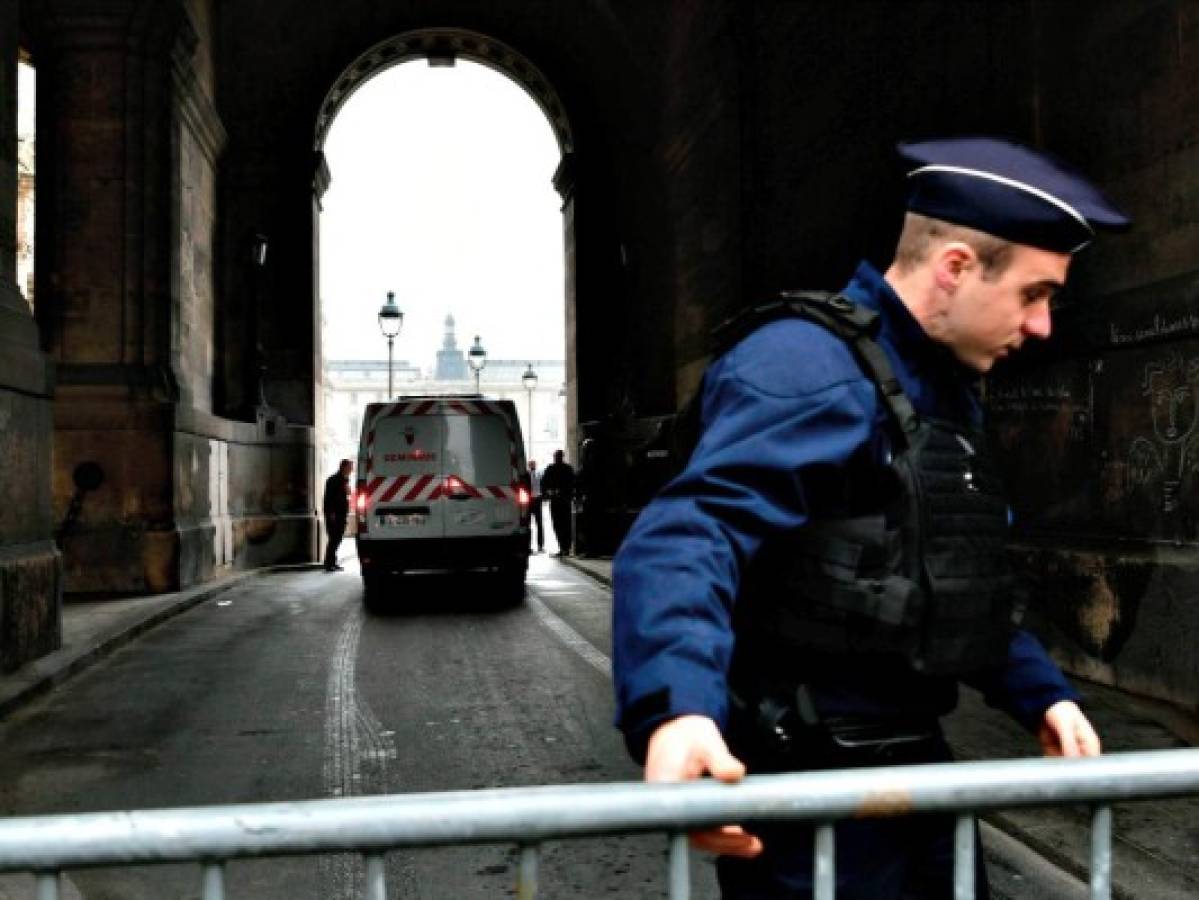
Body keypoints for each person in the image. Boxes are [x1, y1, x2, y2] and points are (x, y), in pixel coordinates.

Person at [611, 137, 1129, 898]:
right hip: (814, 808)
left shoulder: (940, 393)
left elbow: (942, 576)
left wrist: (1039, 693)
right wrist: (676, 709)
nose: (1044, 325)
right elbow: (690, 532)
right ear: (954, 267)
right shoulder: (805, 367)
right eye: (1033, 293)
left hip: (914, 788)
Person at [541, 449, 576, 557]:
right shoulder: (557, 469)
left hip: (561, 500)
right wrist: (547, 493)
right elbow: (544, 483)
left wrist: (548, 493)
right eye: (556, 456)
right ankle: (563, 547)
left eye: (558, 456)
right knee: (559, 524)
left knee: (563, 524)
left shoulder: (562, 469)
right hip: (558, 500)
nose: (557, 458)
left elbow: (572, 483)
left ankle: (565, 547)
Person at [322, 459, 352, 572]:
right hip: (335, 515)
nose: (351, 470)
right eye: (350, 467)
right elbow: (328, 499)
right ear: (343, 467)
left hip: (341, 514)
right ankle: (329, 564)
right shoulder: (333, 480)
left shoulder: (344, 480)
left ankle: (332, 562)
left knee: (337, 538)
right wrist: (331, 513)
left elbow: (347, 494)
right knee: (334, 539)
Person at [527, 459, 545, 553]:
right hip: (528, 500)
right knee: (528, 524)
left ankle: (540, 546)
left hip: (537, 499)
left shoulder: (539, 474)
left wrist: (543, 495)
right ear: (528, 465)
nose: (532, 465)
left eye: (533, 464)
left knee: (539, 523)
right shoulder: (526, 475)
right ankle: (528, 546)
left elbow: (542, 484)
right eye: (530, 464)